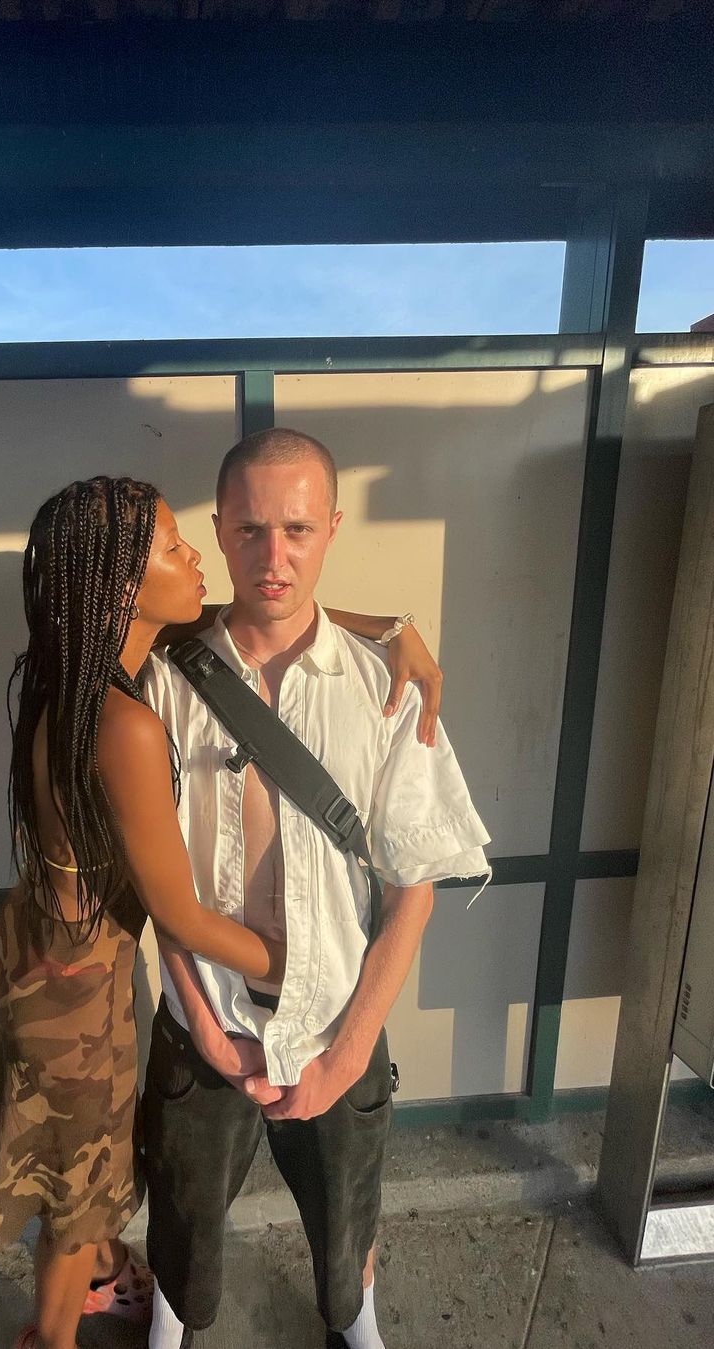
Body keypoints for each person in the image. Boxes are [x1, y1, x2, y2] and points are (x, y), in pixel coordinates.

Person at [0, 475, 443, 1349]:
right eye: (175, 547)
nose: (197, 560)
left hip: (46, 951)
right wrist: (308, 963)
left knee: (89, 1161)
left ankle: (106, 1275)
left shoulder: (84, 667)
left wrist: (391, 627)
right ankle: (52, 1334)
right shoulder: (129, 722)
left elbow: (268, 609)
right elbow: (180, 915)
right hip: (74, 990)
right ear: (122, 588)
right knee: (79, 1185)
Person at [142, 429, 492, 1349]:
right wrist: (205, 1027)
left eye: (297, 529)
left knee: (348, 1213)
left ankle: (355, 1321)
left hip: (341, 1015)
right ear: (219, 528)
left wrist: (350, 1049)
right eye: (250, 530)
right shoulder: (165, 683)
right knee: (184, 1207)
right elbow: (158, 885)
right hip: (205, 1010)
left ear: (332, 527)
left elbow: (412, 889)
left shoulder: (386, 685)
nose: (274, 555)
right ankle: (171, 1322)